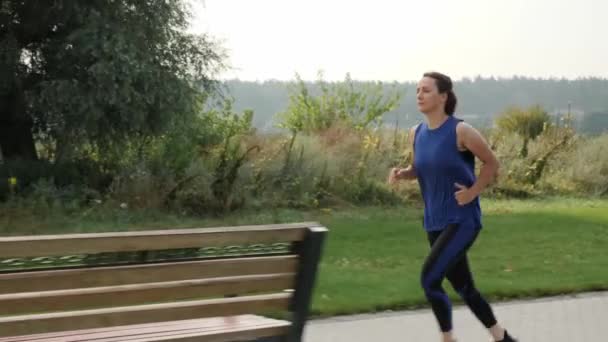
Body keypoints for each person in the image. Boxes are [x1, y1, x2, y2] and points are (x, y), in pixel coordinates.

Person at [388, 72, 517, 342]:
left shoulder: (461, 131)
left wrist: (472, 192)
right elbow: (420, 168)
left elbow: (492, 164)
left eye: (426, 90)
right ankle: (501, 337)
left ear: (443, 96)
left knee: (429, 280)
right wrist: (403, 174)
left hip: (462, 220)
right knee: (464, 287)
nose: (419, 95)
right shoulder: (417, 133)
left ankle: (448, 339)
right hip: (434, 220)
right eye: (417, 90)